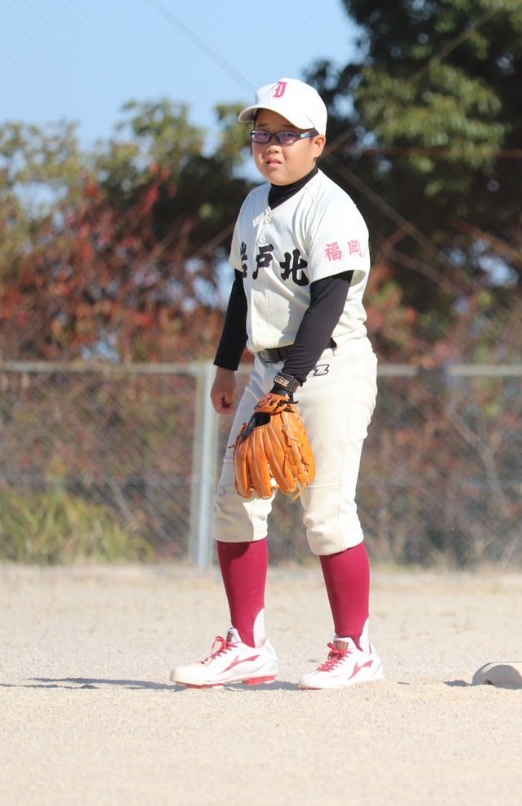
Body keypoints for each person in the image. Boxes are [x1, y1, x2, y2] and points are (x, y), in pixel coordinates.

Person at [170, 78, 383, 690]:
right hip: (268, 369)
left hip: (330, 369)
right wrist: (225, 364)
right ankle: (247, 643)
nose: (271, 145)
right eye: (262, 132)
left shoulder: (332, 209)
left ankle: (356, 648)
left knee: (326, 512)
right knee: (234, 502)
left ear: (317, 143)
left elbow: (327, 301)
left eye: (287, 134)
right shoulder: (252, 206)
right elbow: (243, 290)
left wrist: (286, 385)